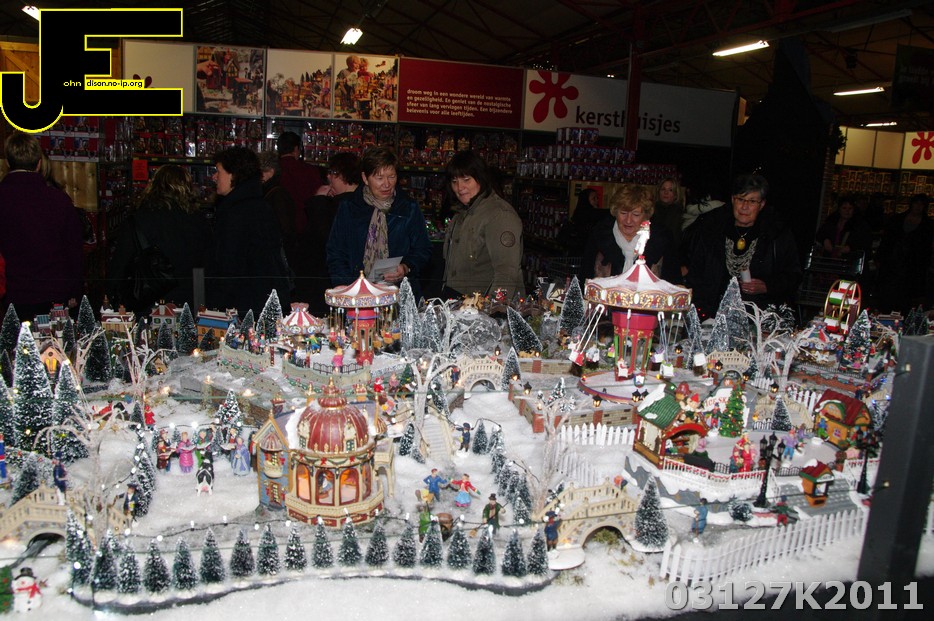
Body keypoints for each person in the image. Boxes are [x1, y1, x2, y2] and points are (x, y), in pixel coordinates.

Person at [683, 173, 801, 319]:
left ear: (762, 204)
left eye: (752, 201)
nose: (745, 207)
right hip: (711, 315)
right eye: (740, 199)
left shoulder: (776, 234)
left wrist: (767, 286)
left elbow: (793, 276)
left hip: (758, 316)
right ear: (733, 200)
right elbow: (694, 272)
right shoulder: (711, 229)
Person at [326, 146, 432, 300]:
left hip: (399, 294)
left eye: (391, 176)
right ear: (365, 178)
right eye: (379, 178)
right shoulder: (349, 207)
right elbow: (336, 252)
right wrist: (348, 289)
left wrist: (406, 267)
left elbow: (423, 249)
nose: (386, 184)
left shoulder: (408, 207)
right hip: (356, 293)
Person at [0, 132, 84, 321]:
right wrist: (75, 291)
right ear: (39, 164)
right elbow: (74, 252)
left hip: (13, 295)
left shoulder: (3, 199)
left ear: (8, 163)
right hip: (55, 294)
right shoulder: (59, 200)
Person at [107, 164, 209, 314]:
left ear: (154, 186)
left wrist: (111, 298)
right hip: (190, 298)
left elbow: (120, 265)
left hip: (147, 298)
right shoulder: (199, 221)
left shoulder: (139, 219)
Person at [208, 146, 291, 318]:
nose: (214, 177)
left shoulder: (235, 212)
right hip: (264, 299)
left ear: (233, 175)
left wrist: (217, 305)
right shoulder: (258, 204)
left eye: (219, 171)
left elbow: (228, 265)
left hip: (244, 305)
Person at [442, 150, 524, 300]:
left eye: (466, 180)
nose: (459, 187)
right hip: (460, 302)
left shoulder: (499, 215)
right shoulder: (461, 213)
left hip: (484, 307)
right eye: (454, 181)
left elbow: (506, 273)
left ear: (480, 178)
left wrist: (492, 308)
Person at [304, 152, 360, 314]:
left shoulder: (333, 206)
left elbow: (321, 239)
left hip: (330, 280)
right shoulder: (363, 201)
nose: (328, 177)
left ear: (342, 175)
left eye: (332, 173)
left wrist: (318, 201)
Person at [580, 184, 674, 280]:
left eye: (636, 214)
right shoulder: (599, 235)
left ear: (646, 216)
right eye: (623, 213)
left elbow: (672, 281)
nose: (628, 220)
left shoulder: (662, 239)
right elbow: (585, 277)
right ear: (615, 212)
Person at [874, 193, 932, 314]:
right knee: (888, 292)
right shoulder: (897, 219)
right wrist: (880, 257)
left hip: (913, 265)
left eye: (921, 204)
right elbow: (887, 240)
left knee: (906, 297)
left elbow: (927, 248)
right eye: (916, 203)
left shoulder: (928, 225)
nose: (918, 207)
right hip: (892, 262)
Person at [815, 195, 872, 260]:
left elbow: (865, 242)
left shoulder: (860, 225)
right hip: (829, 260)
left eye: (850, 208)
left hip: (848, 261)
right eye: (844, 208)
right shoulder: (831, 222)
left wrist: (851, 247)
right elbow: (820, 234)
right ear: (839, 209)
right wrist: (825, 240)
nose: (847, 211)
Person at [653, 176, 685, 282]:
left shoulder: (681, 215)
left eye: (670, 190)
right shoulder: (651, 212)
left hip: (673, 259)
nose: (666, 193)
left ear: (675, 194)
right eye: (663, 189)